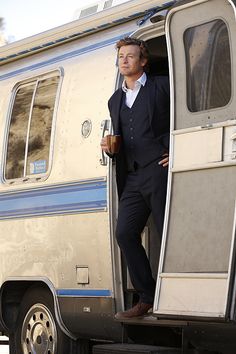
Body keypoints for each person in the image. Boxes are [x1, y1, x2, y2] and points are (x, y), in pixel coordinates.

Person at [101, 37, 170, 319]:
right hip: (131, 175)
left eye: (130, 56)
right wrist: (109, 148)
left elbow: (183, 117)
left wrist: (177, 148)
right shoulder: (115, 99)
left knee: (169, 231)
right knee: (125, 233)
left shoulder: (163, 86)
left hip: (160, 169)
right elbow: (122, 133)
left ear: (143, 61)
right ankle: (147, 297)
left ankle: (177, 295)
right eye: (121, 57)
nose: (124, 60)